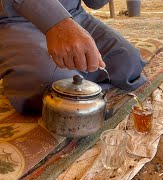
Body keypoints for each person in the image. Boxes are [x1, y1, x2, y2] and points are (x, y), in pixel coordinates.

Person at [0, 0, 147, 114]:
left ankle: (84, 87)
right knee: (58, 92)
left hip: (73, 15)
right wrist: (57, 23)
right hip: (15, 21)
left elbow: (95, 3)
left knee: (128, 63)